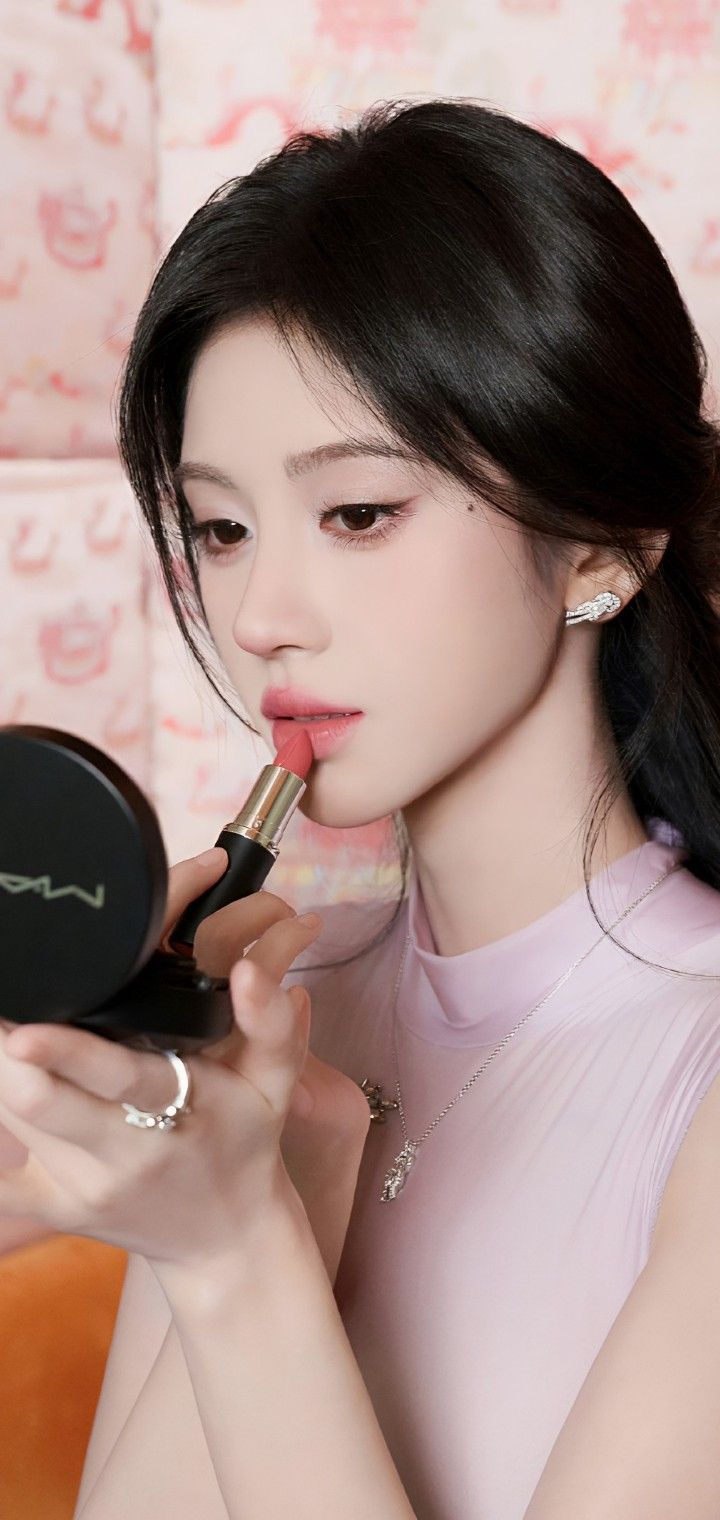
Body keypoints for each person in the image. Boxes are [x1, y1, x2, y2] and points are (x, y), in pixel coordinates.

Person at [2, 95, 720, 1519]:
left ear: (602, 547)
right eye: (221, 528)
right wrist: (277, 1179)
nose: (261, 615)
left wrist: (237, 1255)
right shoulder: (272, 1027)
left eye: (358, 514)